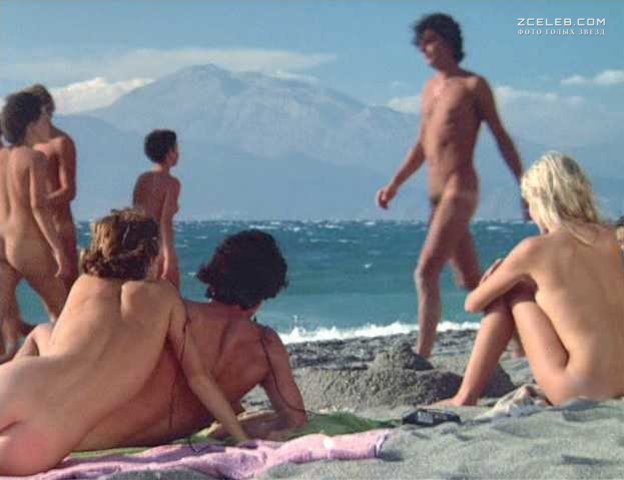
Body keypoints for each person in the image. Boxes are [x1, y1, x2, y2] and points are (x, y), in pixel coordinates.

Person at [0, 208, 248, 475]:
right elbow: (199, 378)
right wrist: (241, 437)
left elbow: (61, 348)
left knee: (42, 332)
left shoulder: (85, 285)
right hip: (52, 437)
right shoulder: (166, 298)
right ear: (151, 252)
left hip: (23, 382)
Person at [22, 229, 307, 449]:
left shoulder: (173, 312)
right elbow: (295, 419)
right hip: (139, 439)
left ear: (218, 271)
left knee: (41, 333)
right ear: (269, 285)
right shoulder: (266, 346)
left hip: (78, 431)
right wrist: (234, 428)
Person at [376, 13, 525, 357]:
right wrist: (395, 184)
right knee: (471, 280)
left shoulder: (473, 86)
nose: (424, 49)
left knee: (426, 271)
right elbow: (422, 145)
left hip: (460, 189)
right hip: (435, 195)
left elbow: (501, 137)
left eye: (430, 41)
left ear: (448, 41)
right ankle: (521, 345)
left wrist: (524, 186)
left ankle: (422, 353)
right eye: (421, 43)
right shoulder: (430, 89)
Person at [441, 152, 624, 407]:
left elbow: (472, 304)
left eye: (530, 204)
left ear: (541, 201)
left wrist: (494, 279)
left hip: (579, 390)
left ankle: (465, 396)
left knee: (512, 292)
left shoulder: (533, 250)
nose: (530, 214)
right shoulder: (613, 238)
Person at [0, 92, 69, 347]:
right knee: (63, 313)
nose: (48, 123)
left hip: (3, 243)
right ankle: (59, 362)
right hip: (27, 244)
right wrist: (57, 249)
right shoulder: (35, 158)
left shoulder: (3, 156)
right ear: (30, 124)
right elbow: (38, 206)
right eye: (43, 117)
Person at [25, 84, 79, 291]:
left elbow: (69, 191)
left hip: (59, 225)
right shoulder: (29, 144)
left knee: (67, 285)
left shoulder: (61, 143)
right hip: (33, 227)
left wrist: (38, 203)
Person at [133, 129, 182, 289]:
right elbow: (165, 222)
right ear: (169, 153)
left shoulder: (142, 179)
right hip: (158, 246)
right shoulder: (172, 183)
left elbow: (135, 214)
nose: (178, 153)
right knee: (171, 294)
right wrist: (169, 257)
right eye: (176, 149)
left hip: (138, 245)